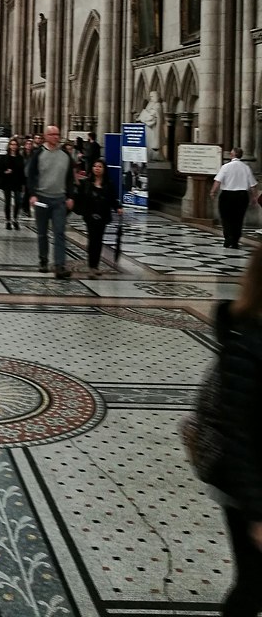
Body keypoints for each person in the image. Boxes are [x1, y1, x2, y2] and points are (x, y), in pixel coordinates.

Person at [211, 246, 262, 616]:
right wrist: (257, 514)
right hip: (249, 491)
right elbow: (238, 436)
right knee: (253, 587)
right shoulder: (246, 344)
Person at [25, 124, 75, 278]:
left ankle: (59, 265)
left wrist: (70, 196)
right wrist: (32, 194)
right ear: (46, 136)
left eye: (57, 134)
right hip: (42, 198)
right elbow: (31, 175)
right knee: (42, 233)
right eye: (52, 134)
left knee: (59, 232)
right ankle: (43, 260)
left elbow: (70, 178)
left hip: (59, 199)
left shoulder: (65, 155)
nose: (56, 137)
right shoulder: (38, 154)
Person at [76, 158, 122, 273]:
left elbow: (112, 199)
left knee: (99, 239)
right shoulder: (86, 183)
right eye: (95, 166)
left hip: (103, 215)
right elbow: (80, 197)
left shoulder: (108, 185)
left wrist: (118, 207)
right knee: (92, 240)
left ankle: (95, 265)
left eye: (100, 166)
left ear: (104, 169)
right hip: (90, 215)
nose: (97, 168)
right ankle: (92, 265)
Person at [211, 148, 258, 249]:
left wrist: (213, 192)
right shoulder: (246, 168)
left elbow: (217, 181)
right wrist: (254, 197)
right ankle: (235, 240)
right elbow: (253, 184)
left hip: (227, 195)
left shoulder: (225, 167)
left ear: (232, 155)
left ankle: (228, 237)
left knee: (226, 217)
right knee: (238, 218)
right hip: (242, 196)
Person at [0, 137, 25, 230]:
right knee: (7, 202)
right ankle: (8, 220)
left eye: (15, 145)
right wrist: (5, 172)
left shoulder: (20, 158)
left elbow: (22, 171)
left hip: (17, 182)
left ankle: (15, 219)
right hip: (7, 182)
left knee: (18, 202)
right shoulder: (4, 157)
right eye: (12, 144)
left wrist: (23, 183)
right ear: (9, 146)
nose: (13, 146)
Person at [138, 90, 164, 160]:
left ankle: (155, 156)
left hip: (154, 130)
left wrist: (144, 115)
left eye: (152, 96)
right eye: (150, 96)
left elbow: (150, 118)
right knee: (149, 145)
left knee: (153, 145)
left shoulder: (157, 105)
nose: (151, 98)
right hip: (149, 129)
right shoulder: (152, 105)